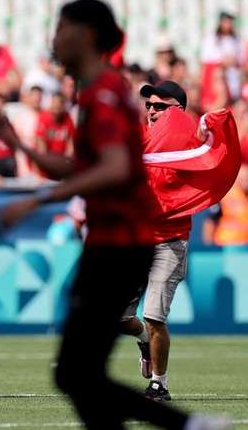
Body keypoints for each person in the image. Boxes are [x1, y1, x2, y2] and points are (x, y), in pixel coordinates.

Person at [0, 0, 223, 429]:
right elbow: (86, 167)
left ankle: (185, 421)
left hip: (122, 244)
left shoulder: (106, 94)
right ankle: (186, 422)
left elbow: (112, 169)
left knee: (77, 371)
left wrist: (37, 200)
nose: (54, 37)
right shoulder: (101, 93)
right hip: (117, 242)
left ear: (86, 36)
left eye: (62, 27)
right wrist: (16, 143)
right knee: (78, 374)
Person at [118, 80, 194, 402]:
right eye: (149, 105)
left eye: (159, 106)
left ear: (177, 111)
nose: (151, 110)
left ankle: (159, 384)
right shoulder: (141, 141)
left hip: (169, 240)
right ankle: (145, 341)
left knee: (154, 314)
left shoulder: (188, 147)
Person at [203, 164, 248, 246]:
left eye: (247, 178)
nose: (245, 181)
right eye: (243, 178)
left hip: (245, 245)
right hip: (226, 244)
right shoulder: (225, 195)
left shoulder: (245, 197)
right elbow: (211, 220)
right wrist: (208, 246)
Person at [35, 91, 75, 157]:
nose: (56, 106)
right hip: (47, 158)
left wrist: (68, 159)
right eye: (54, 103)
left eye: (60, 103)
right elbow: (41, 143)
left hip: (62, 158)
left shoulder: (68, 118)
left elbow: (70, 142)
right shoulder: (44, 117)